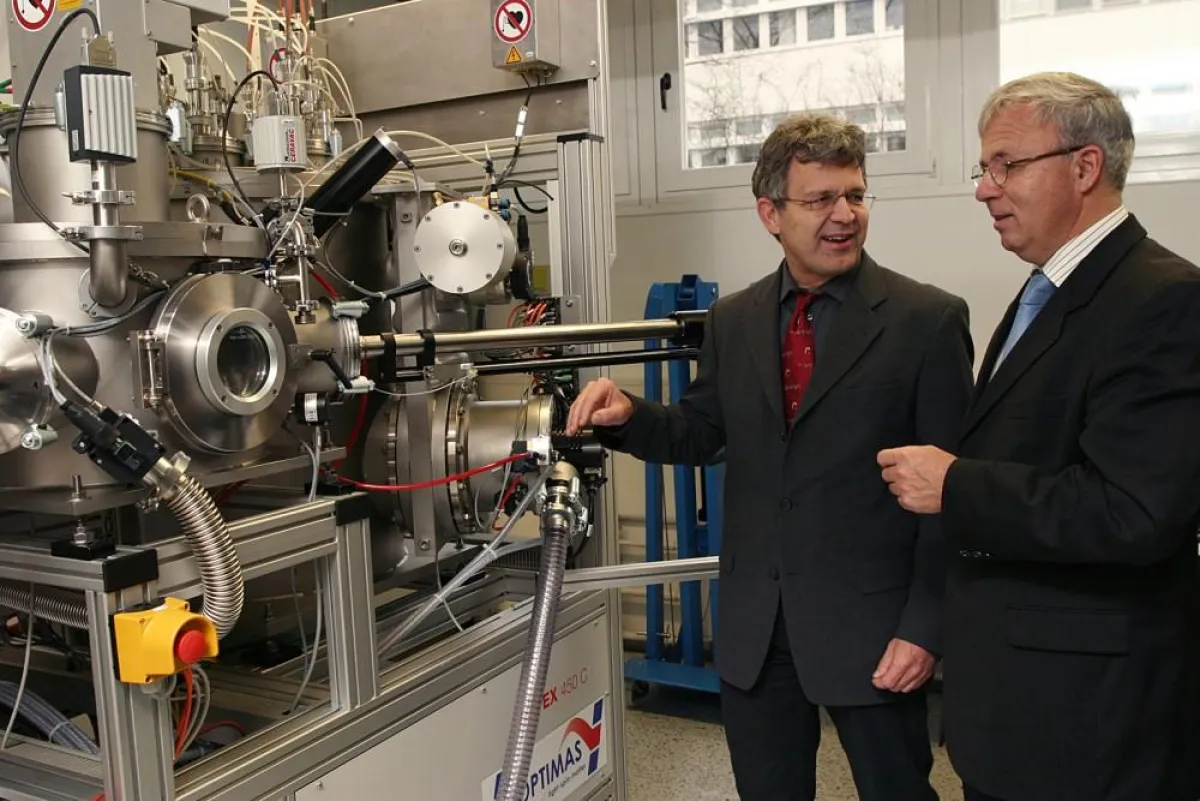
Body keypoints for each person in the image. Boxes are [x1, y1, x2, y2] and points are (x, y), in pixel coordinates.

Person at [566, 113, 974, 801]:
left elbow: (952, 493)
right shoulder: (736, 319)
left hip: (873, 631)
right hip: (757, 629)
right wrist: (630, 416)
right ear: (770, 213)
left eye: (856, 195)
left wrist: (925, 628)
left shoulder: (926, 320)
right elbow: (701, 431)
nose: (845, 215)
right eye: (821, 199)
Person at [878, 72, 1200, 801]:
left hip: (1090, 725)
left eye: (1006, 164)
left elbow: (1136, 511)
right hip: (1021, 706)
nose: (984, 190)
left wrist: (956, 484)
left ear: (1085, 167)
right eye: (983, 167)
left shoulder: (1161, 298)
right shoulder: (1045, 288)